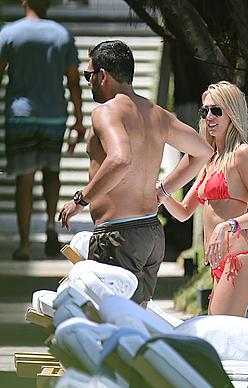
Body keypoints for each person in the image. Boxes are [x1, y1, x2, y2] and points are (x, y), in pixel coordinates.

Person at [58, 40, 213, 307]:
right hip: (151, 233)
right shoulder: (157, 114)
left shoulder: (106, 112)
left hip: (118, 236)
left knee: (108, 325)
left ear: (102, 75)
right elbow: (203, 151)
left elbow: (120, 158)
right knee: (132, 325)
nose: (87, 81)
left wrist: (80, 200)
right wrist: (163, 190)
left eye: (88, 75)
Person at [158, 81, 248, 316]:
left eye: (216, 110)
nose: (209, 116)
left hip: (240, 260)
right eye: (205, 110)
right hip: (219, 265)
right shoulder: (209, 161)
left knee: (219, 332)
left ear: (232, 113)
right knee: (221, 335)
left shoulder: (242, 154)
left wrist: (227, 226)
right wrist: (161, 191)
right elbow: (183, 212)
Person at [0, 0, 85, 260]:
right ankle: (51, 227)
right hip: (53, 115)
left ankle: (25, 244)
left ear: (24, 2)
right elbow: (73, 81)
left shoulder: (8, 33)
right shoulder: (62, 34)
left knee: (24, 179)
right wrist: (79, 119)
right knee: (52, 173)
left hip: (20, 115)